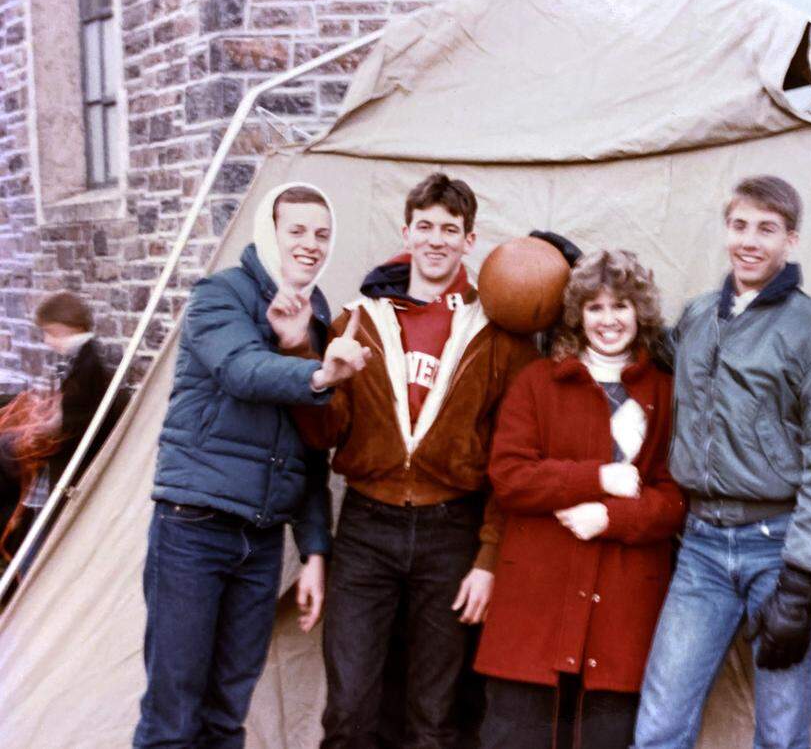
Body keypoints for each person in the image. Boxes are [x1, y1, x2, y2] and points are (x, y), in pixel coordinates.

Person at [287, 172, 537, 749]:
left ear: (469, 241)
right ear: (406, 233)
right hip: (367, 527)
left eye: (450, 229)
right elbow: (322, 435)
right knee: (349, 711)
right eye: (425, 226)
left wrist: (489, 556)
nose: (435, 240)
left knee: (434, 715)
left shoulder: (497, 333)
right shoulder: (359, 319)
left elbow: (512, 459)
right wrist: (314, 365)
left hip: (451, 529)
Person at [633, 176, 811, 749]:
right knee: (660, 723)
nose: (750, 241)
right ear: (726, 231)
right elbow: (648, 346)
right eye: (740, 226)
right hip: (701, 546)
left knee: (781, 730)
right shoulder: (698, 318)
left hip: (779, 547)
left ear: (791, 240)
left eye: (767, 229)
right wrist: (581, 277)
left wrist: (801, 579)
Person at [134, 184, 369, 749]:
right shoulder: (219, 295)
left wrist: (315, 552)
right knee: (173, 715)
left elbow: (311, 451)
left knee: (226, 714)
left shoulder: (317, 323)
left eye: (322, 234)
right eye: (297, 230)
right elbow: (241, 371)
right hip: (194, 527)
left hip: (260, 541)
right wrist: (318, 373)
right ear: (269, 232)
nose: (310, 244)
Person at [475, 249, 686, 749]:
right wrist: (598, 478)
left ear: (640, 312)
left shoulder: (665, 392)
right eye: (595, 307)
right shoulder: (537, 382)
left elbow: (676, 499)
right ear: (577, 315)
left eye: (620, 306)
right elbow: (509, 476)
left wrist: (612, 518)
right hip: (536, 599)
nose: (608, 320)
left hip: (622, 607)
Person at [0, 292, 125, 567]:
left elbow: (76, 421)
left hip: (67, 467)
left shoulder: (88, 366)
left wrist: (41, 427)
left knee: (40, 542)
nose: (47, 341)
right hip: (62, 464)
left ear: (64, 328)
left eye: (49, 333)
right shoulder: (83, 361)